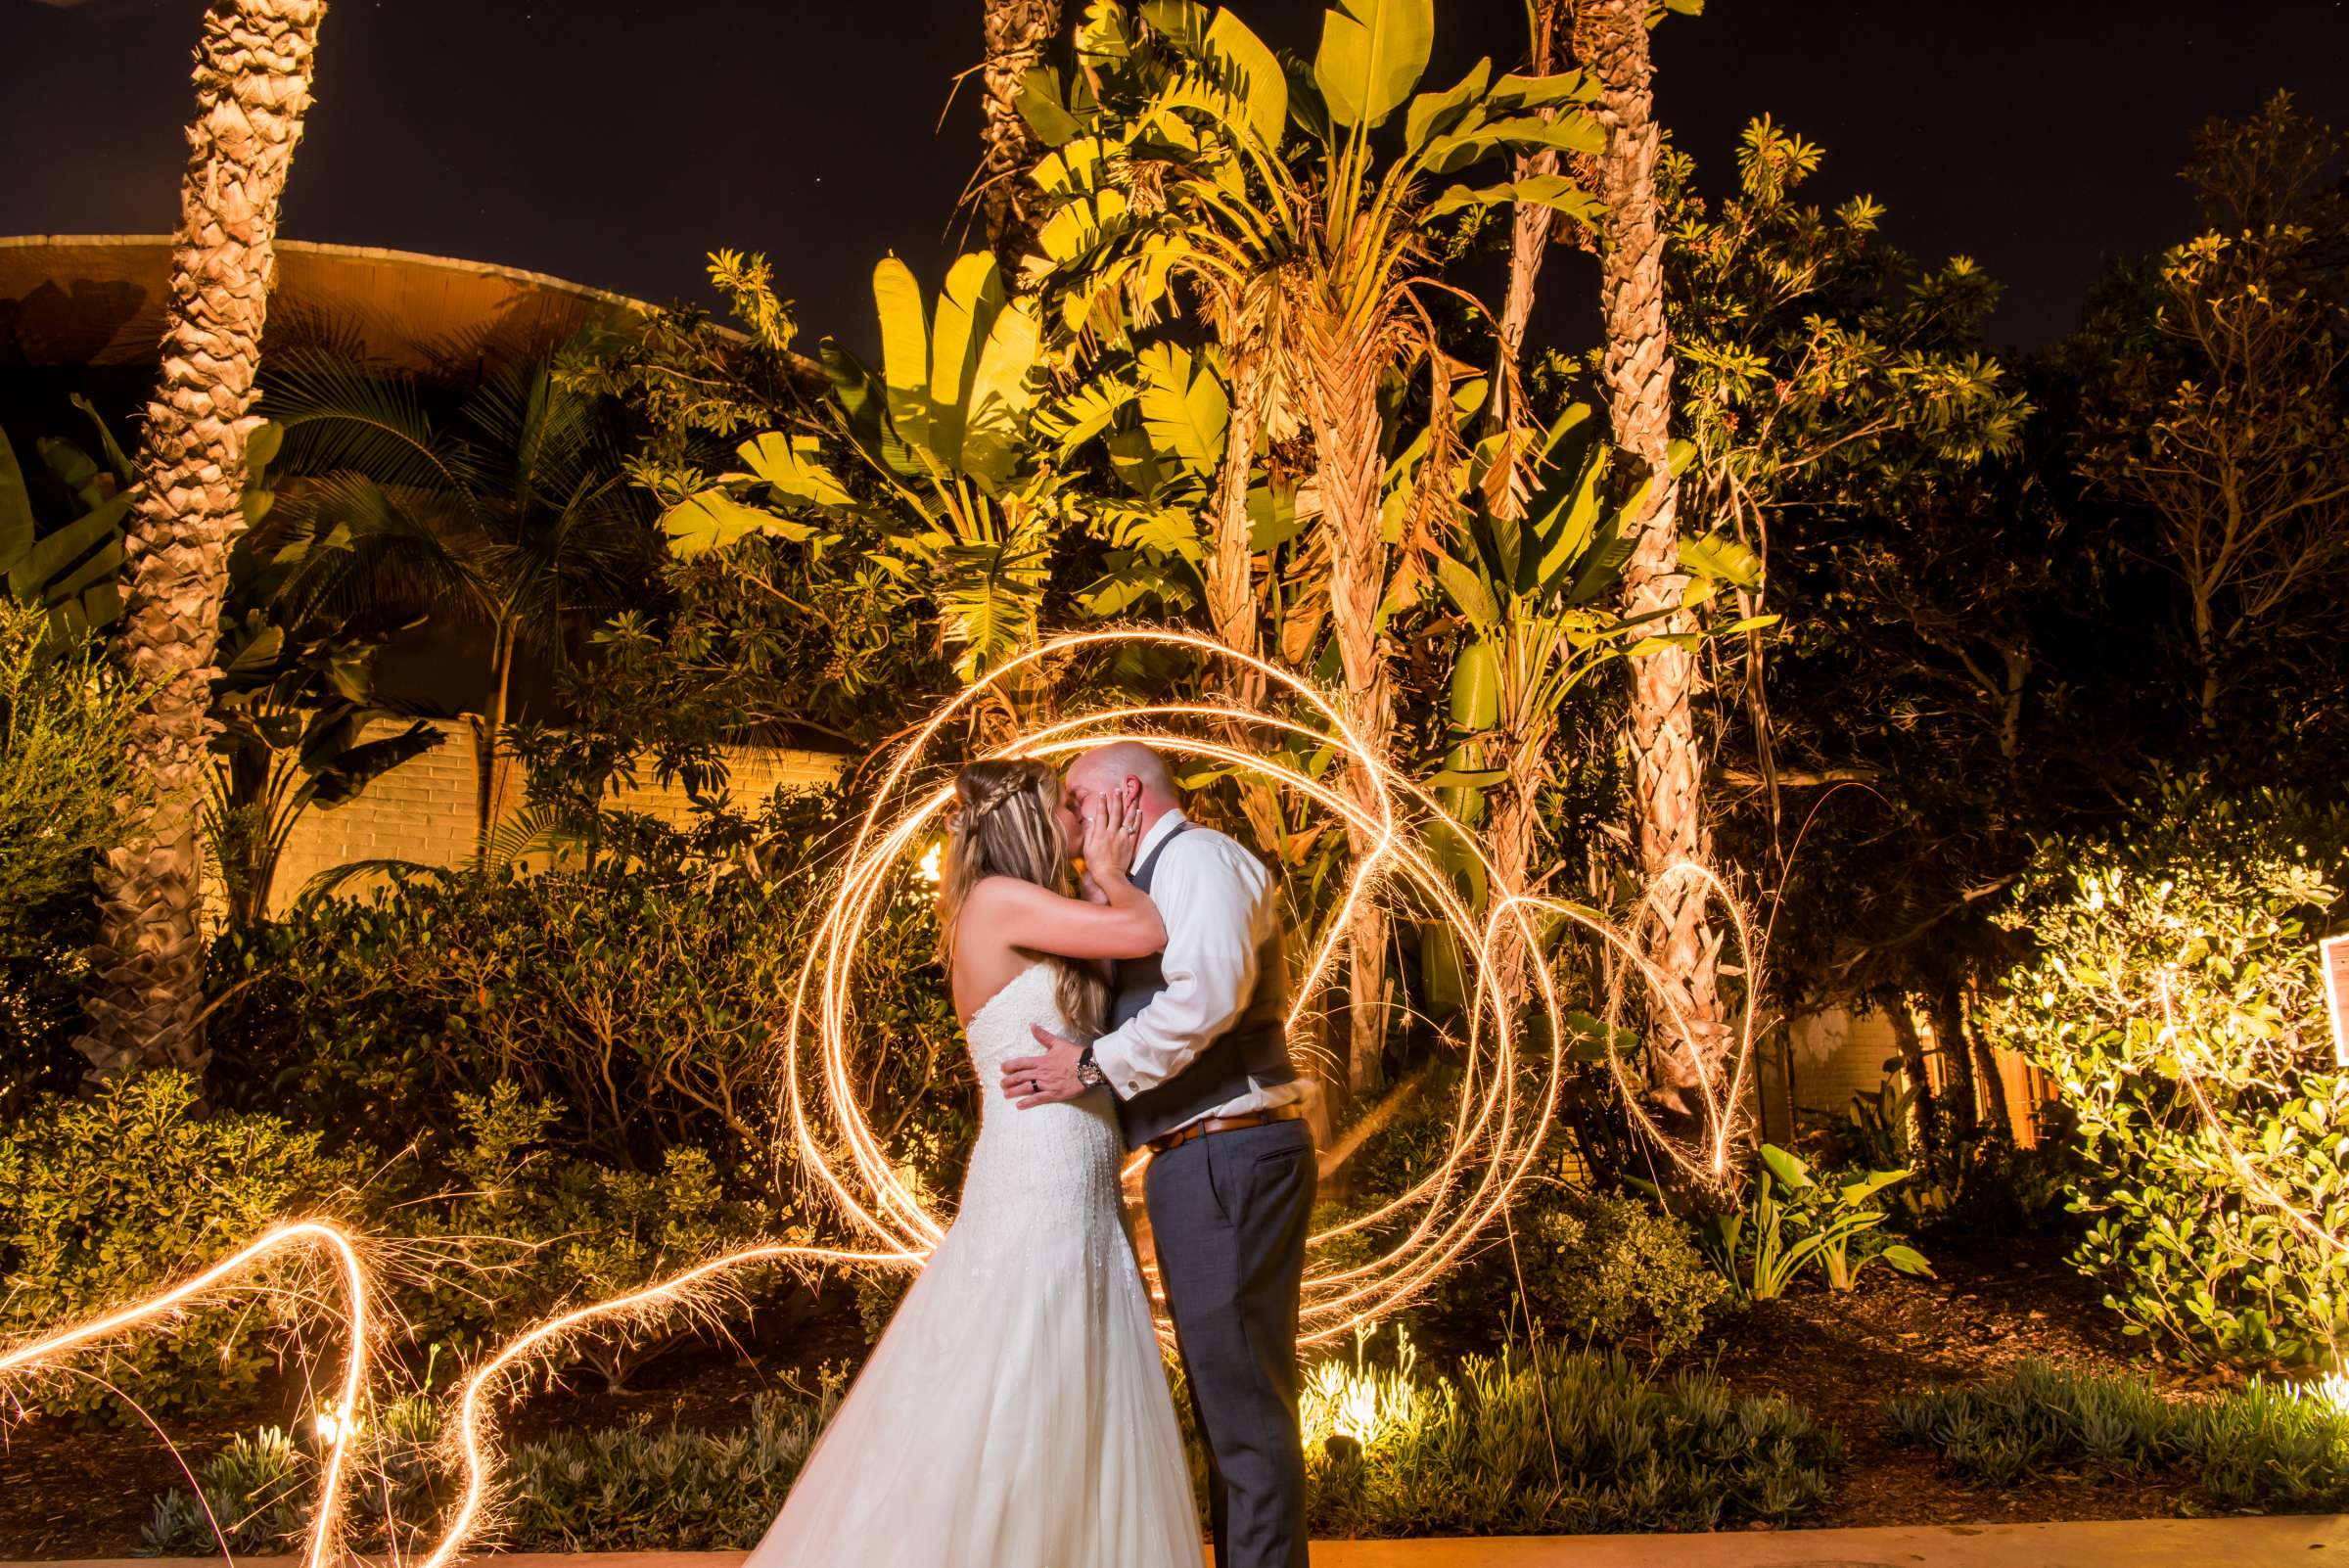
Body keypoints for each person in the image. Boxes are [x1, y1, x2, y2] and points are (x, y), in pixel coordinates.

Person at [743, 758, 1201, 1568]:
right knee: (1022, 1373)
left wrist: (1098, 879)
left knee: (1074, 1377)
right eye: (1066, 807)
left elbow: (1108, 961)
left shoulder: (1034, 910)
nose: (1079, 816)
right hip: (1039, 1177)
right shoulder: (997, 900)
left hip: (1079, 1179)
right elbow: (1147, 933)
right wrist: (1109, 871)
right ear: (1030, 823)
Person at [1006, 740, 1315, 1568]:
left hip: (1230, 1153)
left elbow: (1206, 995)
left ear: (1126, 794)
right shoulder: (1142, 883)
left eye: (1076, 799)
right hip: (1202, 1157)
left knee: (1243, 1408)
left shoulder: (1201, 862)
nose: (1067, 817)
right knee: (1228, 1402)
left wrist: (1092, 1065)